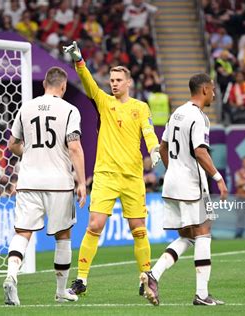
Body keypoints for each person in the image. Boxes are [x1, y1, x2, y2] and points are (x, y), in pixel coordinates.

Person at [63, 42, 161, 296]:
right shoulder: (104, 102)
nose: (114, 83)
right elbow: (90, 85)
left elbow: (149, 132)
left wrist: (154, 149)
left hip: (131, 176)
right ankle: (81, 280)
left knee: (138, 228)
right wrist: (80, 62)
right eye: (112, 80)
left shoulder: (140, 107)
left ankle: (146, 277)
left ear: (128, 82)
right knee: (94, 225)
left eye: (118, 80)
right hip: (106, 175)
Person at [140, 73, 228, 306]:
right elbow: (200, 151)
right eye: (212, 89)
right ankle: (201, 294)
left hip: (172, 182)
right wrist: (218, 177)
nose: (214, 94)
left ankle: (153, 275)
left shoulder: (176, 113)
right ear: (205, 90)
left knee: (187, 236)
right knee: (203, 231)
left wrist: (174, 169)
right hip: (191, 184)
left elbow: (162, 147)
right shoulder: (199, 117)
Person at [3, 67, 86, 305]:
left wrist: (29, 153)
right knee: (63, 235)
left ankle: (11, 275)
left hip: (28, 181)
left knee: (22, 233)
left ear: (44, 85)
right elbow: (74, 147)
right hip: (58, 182)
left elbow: (13, 144)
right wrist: (81, 181)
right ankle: (61, 291)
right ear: (63, 86)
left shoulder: (26, 108)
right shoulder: (70, 110)